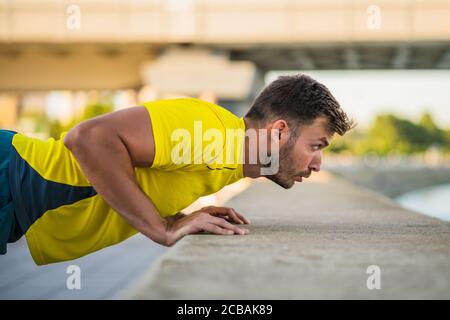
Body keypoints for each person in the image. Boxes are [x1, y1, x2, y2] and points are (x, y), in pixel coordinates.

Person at [0, 74, 354, 265]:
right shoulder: (212, 132)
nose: (318, 163)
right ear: (278, 132)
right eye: (316, 146)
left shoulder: (227, 155)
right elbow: (90, 138)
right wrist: (162, 227)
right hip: (8, 177)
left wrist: (179, 213)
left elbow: (143, 172)